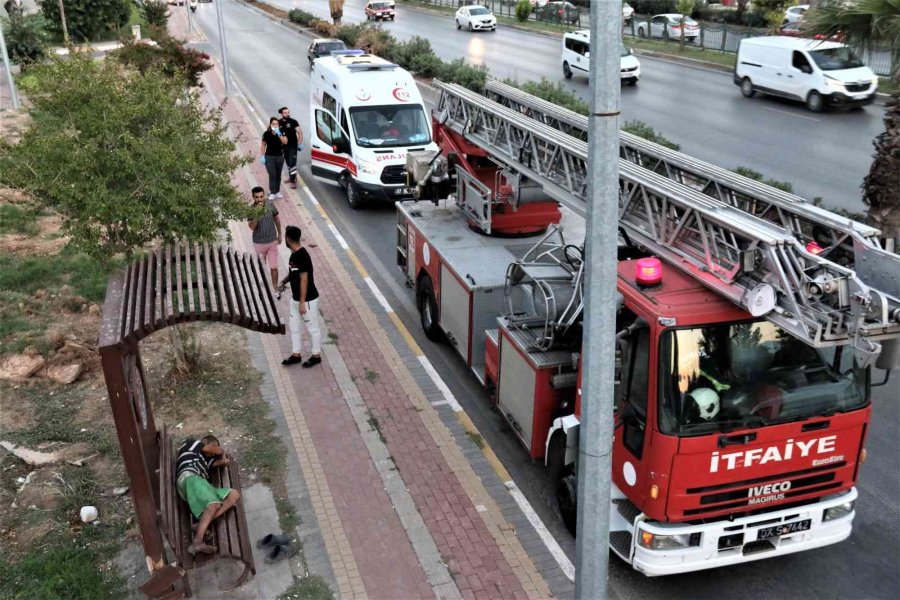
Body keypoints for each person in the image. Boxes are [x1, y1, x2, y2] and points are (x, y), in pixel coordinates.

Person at [175, 435, 241, 555]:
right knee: (214, 505)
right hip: (189, 478)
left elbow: (225, 462)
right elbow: (218, 451)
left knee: (234, 495)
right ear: (205, 442)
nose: (212, 453)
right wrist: (219, 451)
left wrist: (220, 457)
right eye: (213, 446)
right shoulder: (191, 444)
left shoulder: (205, 461)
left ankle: (201, 524)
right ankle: (197, 542)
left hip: (201, 485)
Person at [278, 225, 322, 368]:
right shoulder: (294, 255)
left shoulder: (302, 255)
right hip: (296, 299)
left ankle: (316, 356)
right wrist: (284, 281)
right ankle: (296, 355)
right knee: (294, 327)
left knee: (313, 328)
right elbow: (294, 273)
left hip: (307, 300)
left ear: (288, 239)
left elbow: (304, 279)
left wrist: (302, 302)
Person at [248, 186, 282, 296]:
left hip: (272, 241)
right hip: (259, 243)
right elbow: (252, 227)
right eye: (257, 197)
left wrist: (280, 234)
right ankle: (263, 291)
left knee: (274, 267)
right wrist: (256, 213)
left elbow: (276, 219)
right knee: (261, 268)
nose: (259, 199)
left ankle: (275, 289)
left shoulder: (270, 204)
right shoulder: (251, 209)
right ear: (253, 197)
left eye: (261, 196)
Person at [260, 117, 288, 200]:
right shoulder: (266, 133)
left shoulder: (281, 132)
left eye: (277, 124)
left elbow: (285, 142)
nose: (275, 125)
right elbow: (263, 145)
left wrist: (279, 133)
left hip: (279, 157)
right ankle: (273, 192)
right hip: (269, 157)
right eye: (273, 124)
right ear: (270, 124)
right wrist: (262, 156)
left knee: (278, 175)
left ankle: (277, 191)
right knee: (273, 174)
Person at [278, 107, 303, 190]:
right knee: (288, 163)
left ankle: (293, 181)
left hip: (293, 146)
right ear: (281, 114)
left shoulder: (293, 122)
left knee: (292, 163)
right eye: (285, 113)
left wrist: (300, 143)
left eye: (288, 112)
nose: (287, 114)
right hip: (284, 147)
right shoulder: (279, 122)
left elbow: (300, 133)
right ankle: (291, 177)